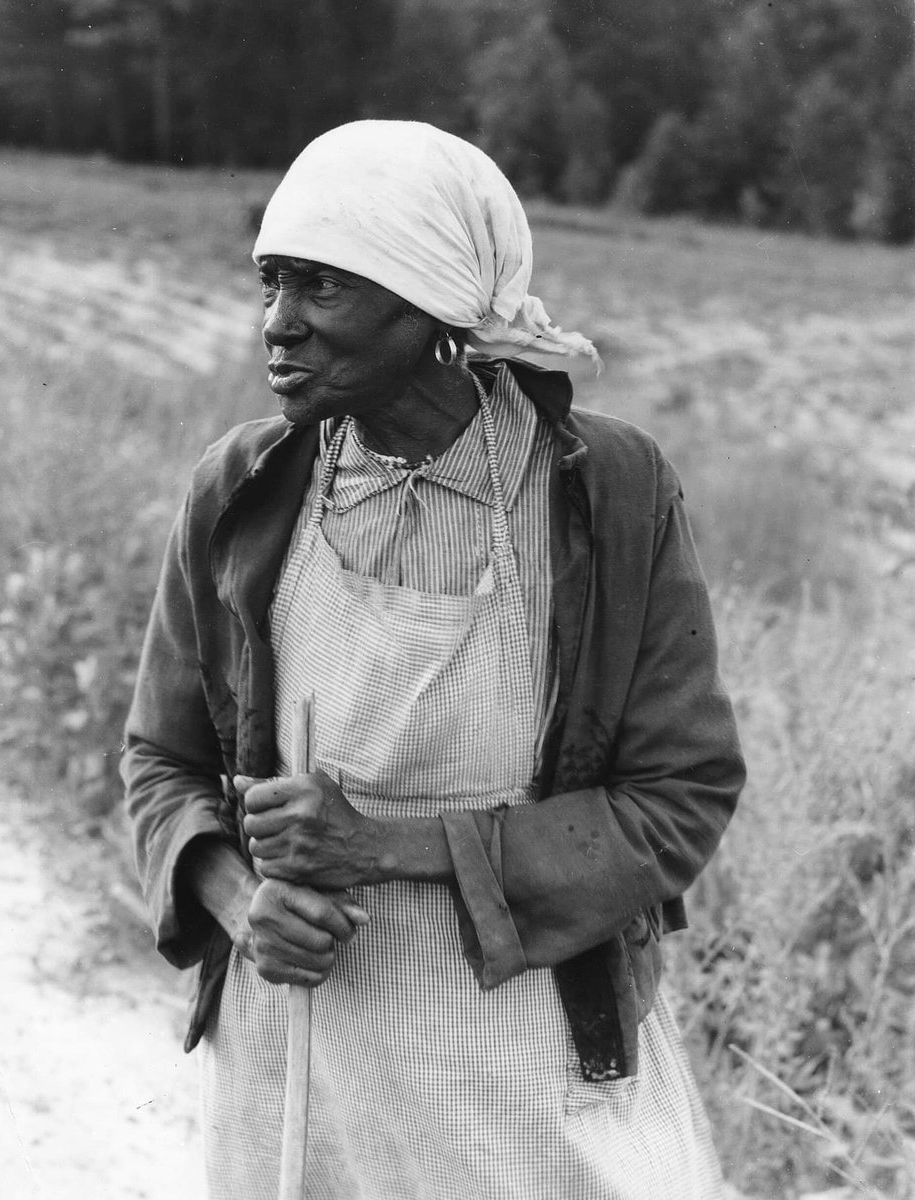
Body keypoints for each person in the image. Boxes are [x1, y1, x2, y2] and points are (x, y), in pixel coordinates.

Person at [122, 120, 745, 1200]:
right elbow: (159, 762)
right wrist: (238, 902)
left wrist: (381, 846)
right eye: (271, 283)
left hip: (523, 1067)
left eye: (321, 288)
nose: (278, 326)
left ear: (430, 302)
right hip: (300, 1057)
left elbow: (679, 800)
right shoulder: (240, 490)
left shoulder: (602, 493)